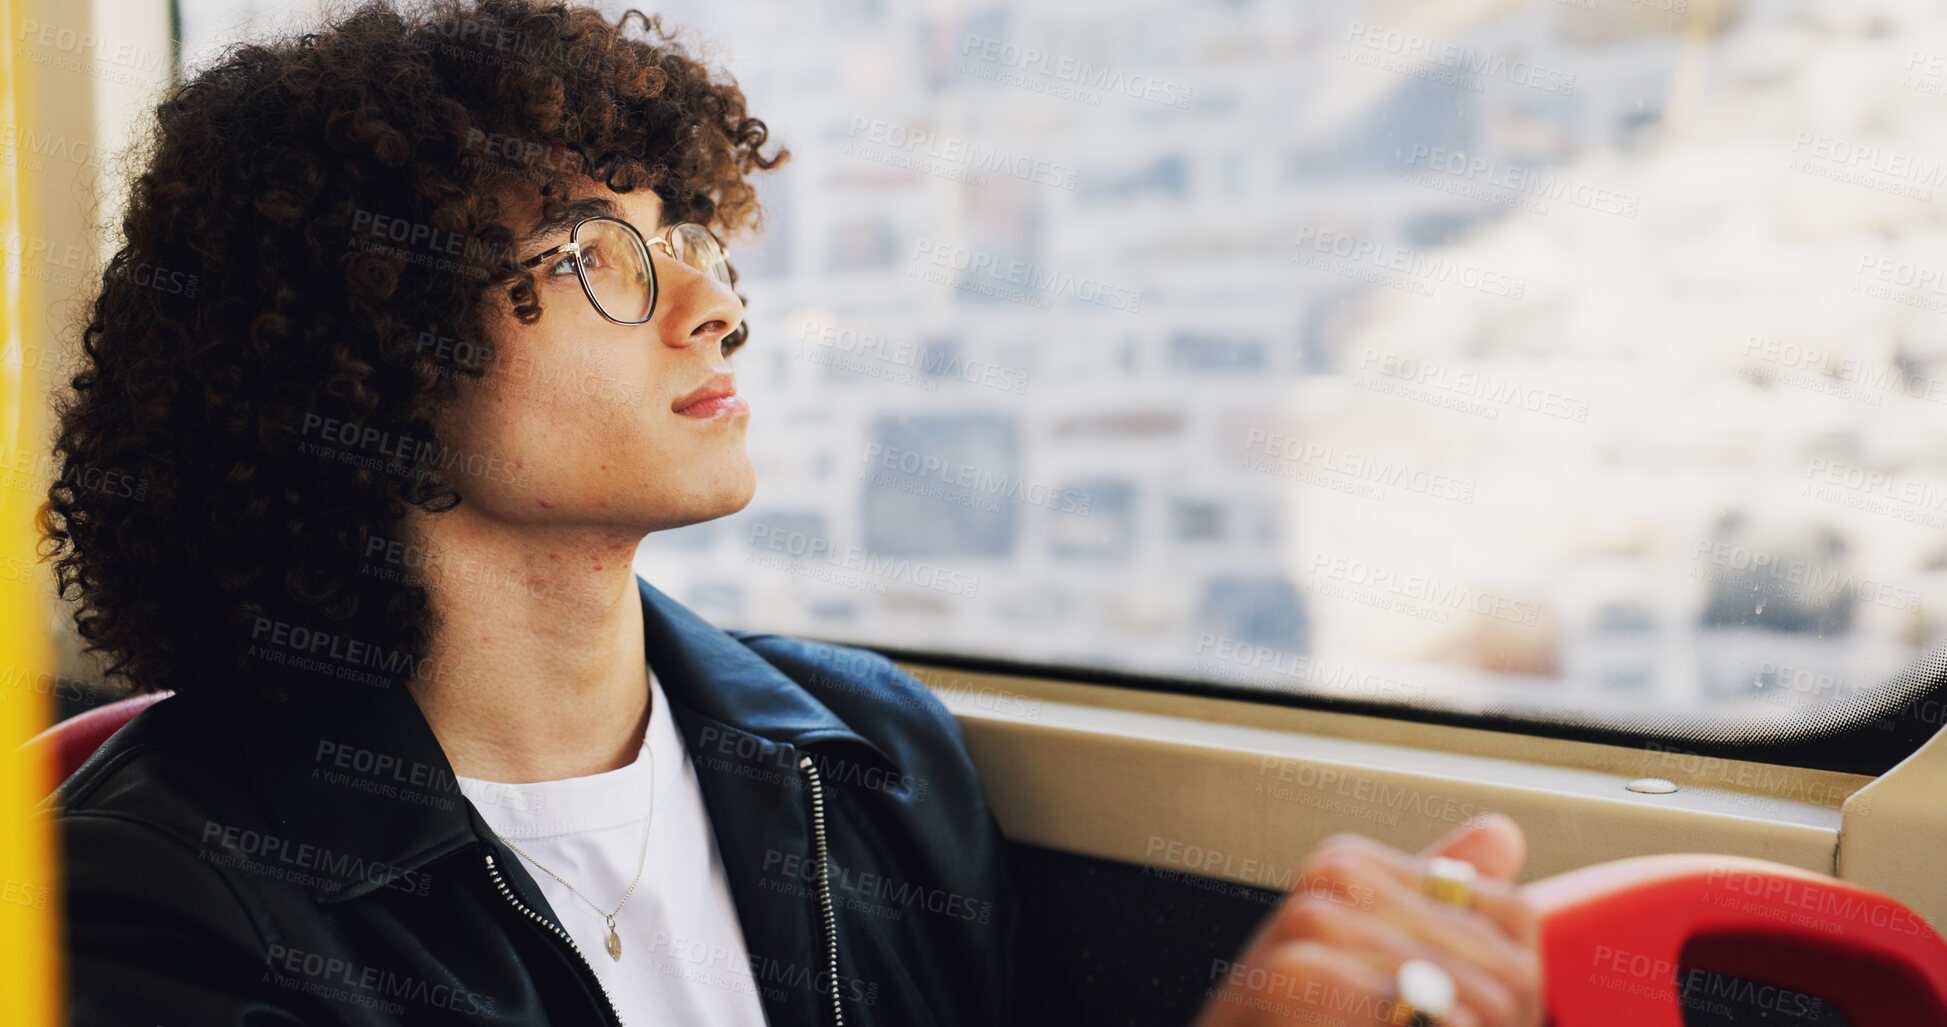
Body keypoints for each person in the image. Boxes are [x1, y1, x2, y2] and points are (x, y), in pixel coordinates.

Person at [38, 1, 1541, 1024]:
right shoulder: (149, 905)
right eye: (597, 256)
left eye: (689, 237)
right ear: (360, 353)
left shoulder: (868, 762)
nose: (714, 308)